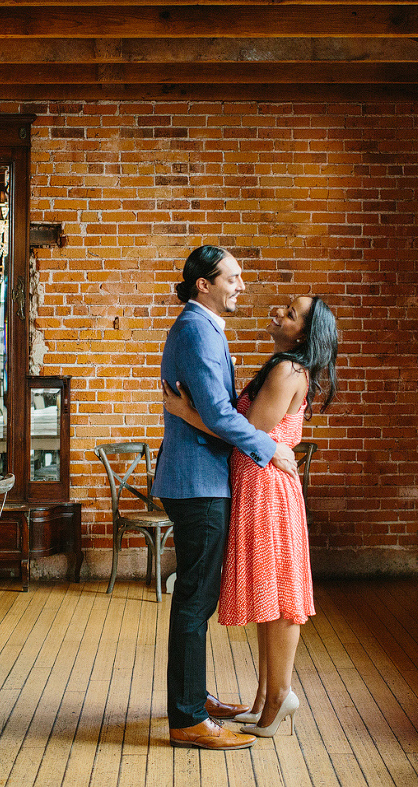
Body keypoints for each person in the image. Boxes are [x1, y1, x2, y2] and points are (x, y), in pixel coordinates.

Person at [164, 293, 338, 739]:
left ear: (304, 333)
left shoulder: (286, 370)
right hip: (255, 484)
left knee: (278, 596)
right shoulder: (282, 365)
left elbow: (247, 433)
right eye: (282, 306)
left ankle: (279, 696)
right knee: (267, 591)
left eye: (291, 314)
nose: (277, 312)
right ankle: (264, 696)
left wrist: (186, 412)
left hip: (266, 488)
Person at [154, 245, 299, 751]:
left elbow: (209, 409)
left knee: (196, 597)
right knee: (196, 599)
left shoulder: (201, 327)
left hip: (200, 477)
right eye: (232, 277)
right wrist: (270, 448)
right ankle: (188, 718)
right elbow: (216, 413)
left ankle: (192, 700)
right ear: (204, 284)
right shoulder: (197, 330)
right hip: (199, 481)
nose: (241, 285)